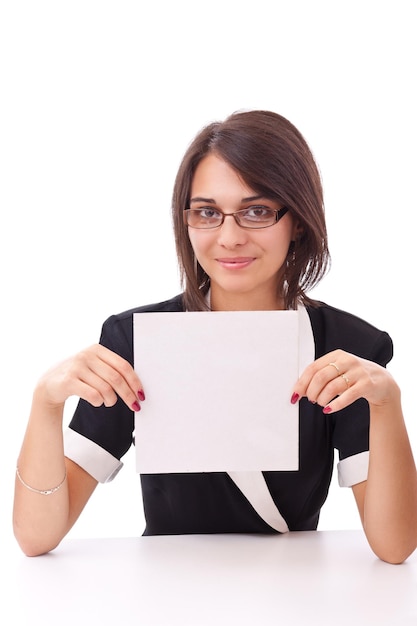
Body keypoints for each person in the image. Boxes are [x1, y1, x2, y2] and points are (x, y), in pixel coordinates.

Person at [13, 110, 417, 563]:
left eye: (257, 211)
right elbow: (37, 536)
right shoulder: (138, 341)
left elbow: (394, 546)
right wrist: (45, 402)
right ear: (186, 221)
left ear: (298, 220)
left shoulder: (347, 348)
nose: (229, 237)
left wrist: (388, 402)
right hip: (166, 592)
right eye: (207, 212)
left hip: (296, 594)